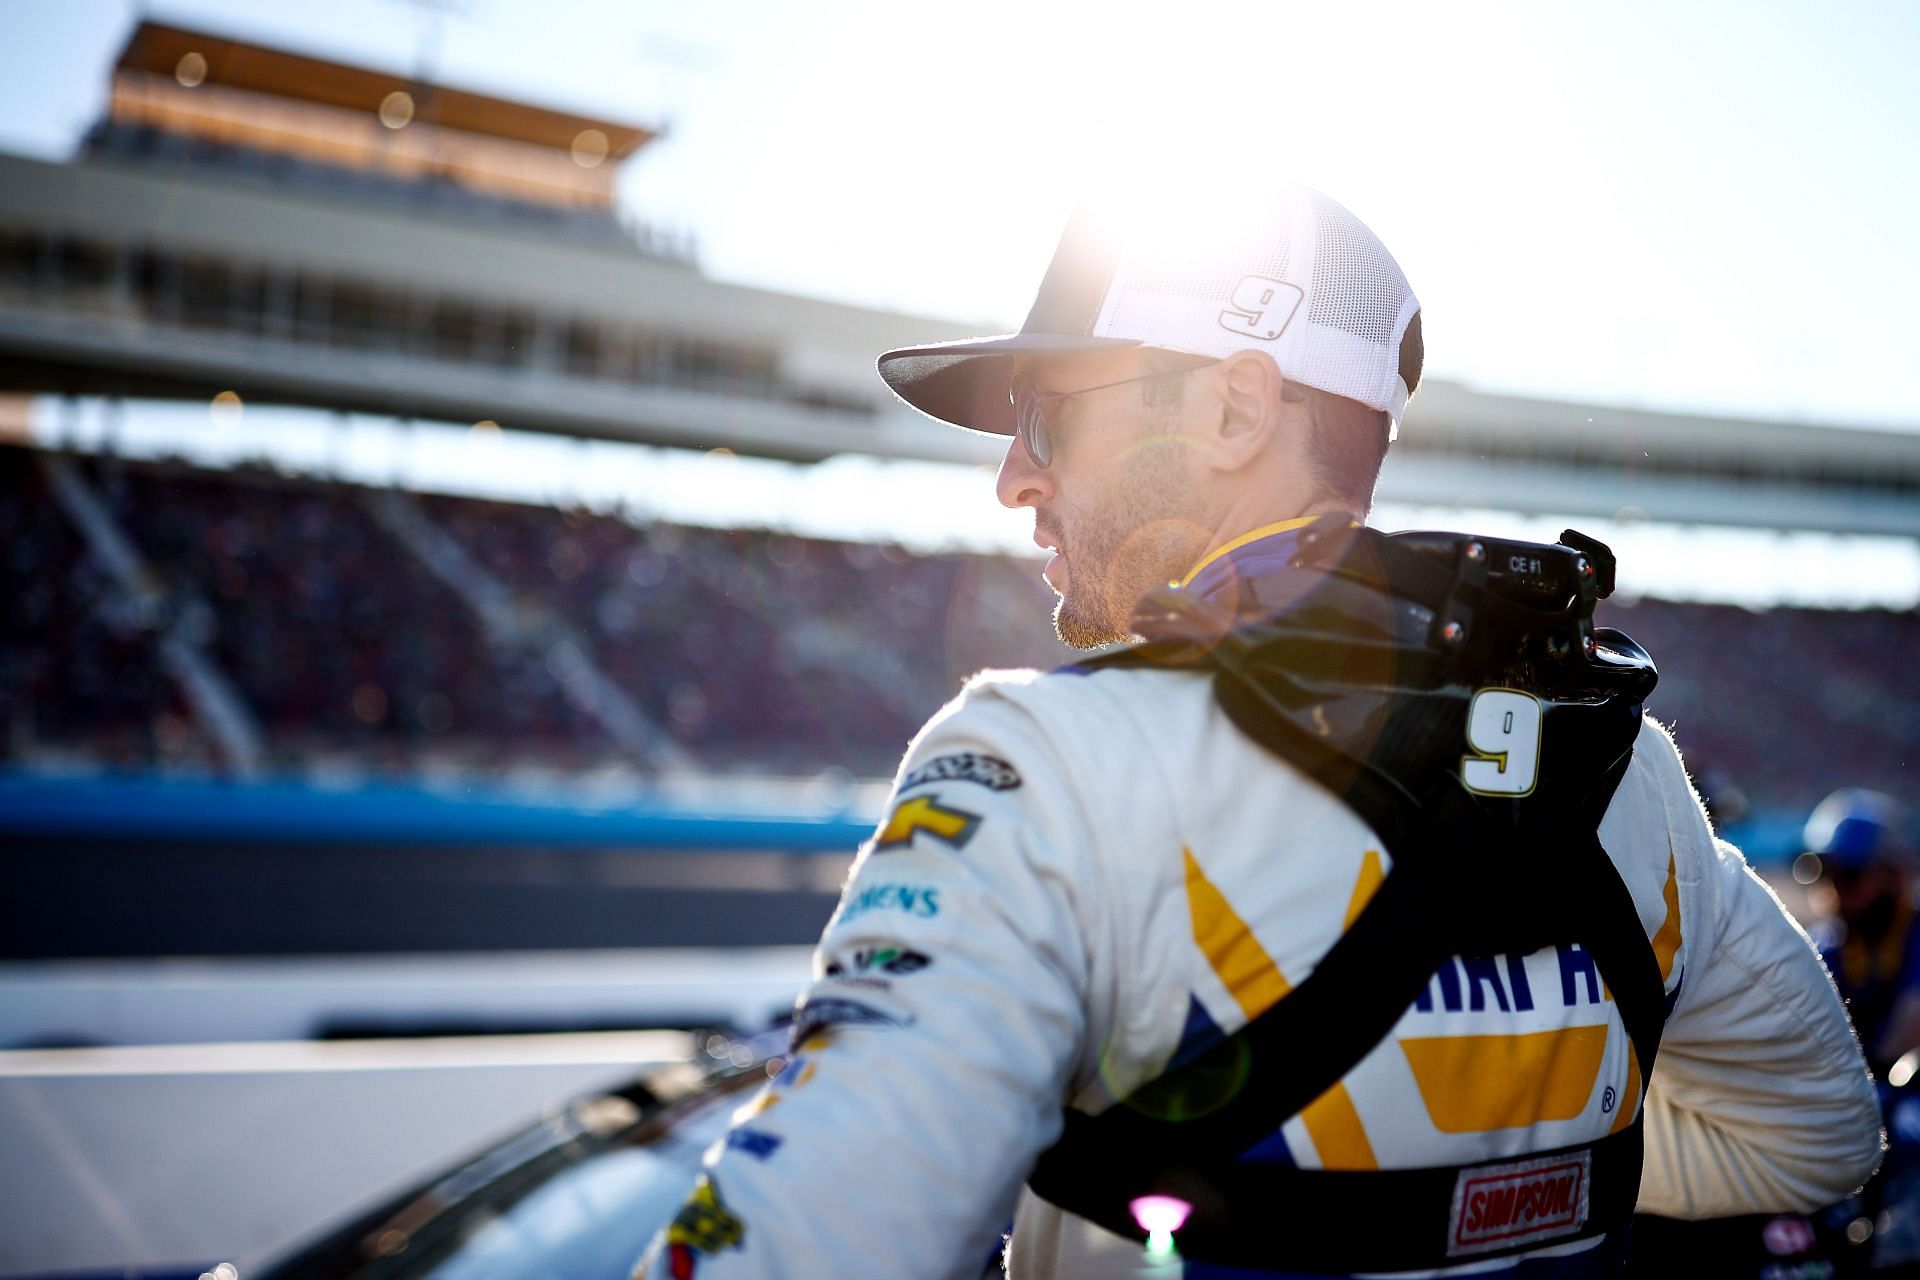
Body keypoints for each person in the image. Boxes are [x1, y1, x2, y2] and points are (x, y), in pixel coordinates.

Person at [635, 185, 1881, 1278]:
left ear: (1236, 410)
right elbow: (1817, 1135)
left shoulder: (1037, 769)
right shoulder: (1627, 772)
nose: (1015, 474)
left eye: (1049, 411)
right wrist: (1490, 1158)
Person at [1804, 787, 1920, 1073]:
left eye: (1850, 874)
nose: (1835, 889)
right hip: (1851, 1093)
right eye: (1826, 873)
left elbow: (1913, 1017)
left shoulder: (1914, 933)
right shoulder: (1826, 945)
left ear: (1893, 876)